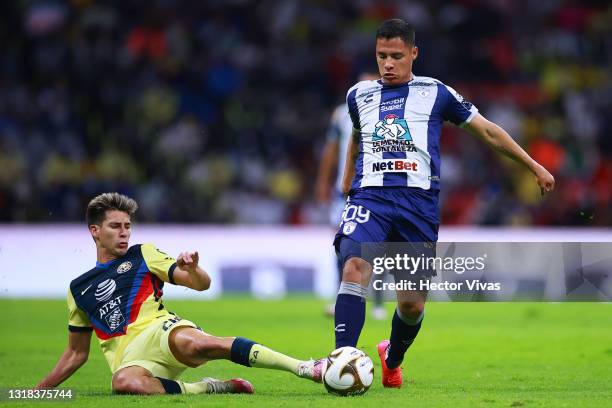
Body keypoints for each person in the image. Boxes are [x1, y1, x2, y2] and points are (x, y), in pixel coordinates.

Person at [332, 19, 555, 389]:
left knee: (412, 306)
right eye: (382, 56)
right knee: (354, 267)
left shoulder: (436, 93)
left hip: (417, 205)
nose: (388, 64)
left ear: (413, 54)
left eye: (396, 56)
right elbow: (356, 135)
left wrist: (532, 164)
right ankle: (340, 363)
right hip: (369, 197)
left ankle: (393, 358)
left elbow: (486, 130)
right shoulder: (359, 95)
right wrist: (345, 179)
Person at [35, 192, 325, 395]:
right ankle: (209, 387)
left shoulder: (142, 254)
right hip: (133, 361)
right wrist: (36, 393)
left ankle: (304, 367)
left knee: (197, 344)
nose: (124, 233)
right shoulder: (78, 289)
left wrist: (194, 269)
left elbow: (201, 284)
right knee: (124, 384)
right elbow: (76, 354)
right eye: (115, 227)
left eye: (127, 226)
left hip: (160, 332)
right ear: (95, 231)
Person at [315, 73, 388, 320]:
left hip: (377, 186)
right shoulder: (341, 113)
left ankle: (377, 302)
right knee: (343, 243)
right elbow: (331, 150)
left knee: (378, 247)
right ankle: (341, 298)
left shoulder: (388, 110)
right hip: (345, 188)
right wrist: (323, 182)